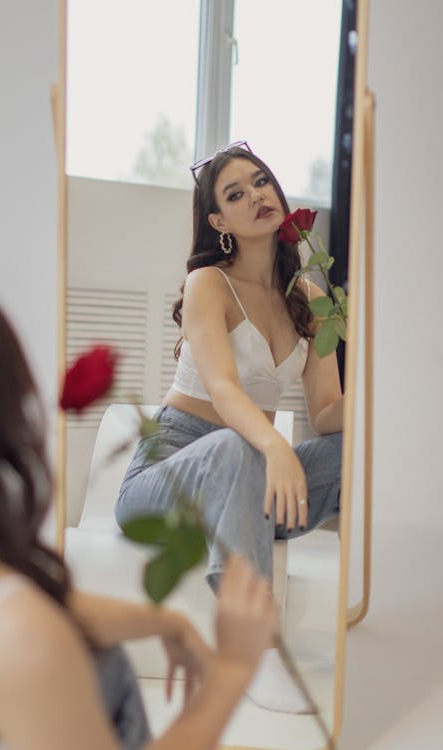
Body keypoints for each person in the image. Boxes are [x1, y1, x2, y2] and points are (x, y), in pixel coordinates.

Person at [0, 250, 276, 750]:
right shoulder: (13, 637)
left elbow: (44, 608)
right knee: (101, 663)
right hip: (179, 448)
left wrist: (166, 619)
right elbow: (25, 626)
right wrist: (232, 672)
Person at [114, 142, 343, 714]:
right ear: (219, 221)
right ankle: (256, 653)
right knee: (231, 451)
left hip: (252, 473)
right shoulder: (208, 284)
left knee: (355, 452)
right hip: (171, 467)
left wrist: (400, 410)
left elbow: (329, 414)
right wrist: (272, 444)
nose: (257, 196)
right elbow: (221, 388)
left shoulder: (309, 298)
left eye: (261, 182)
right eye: (235, 194)